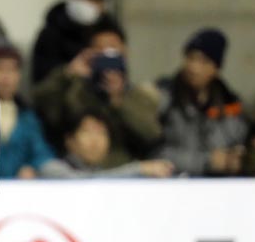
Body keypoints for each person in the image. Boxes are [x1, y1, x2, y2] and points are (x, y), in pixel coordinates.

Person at [33, 21, 162, 167]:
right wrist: (67, 74)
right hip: (78, 169)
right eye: (99, 48)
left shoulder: (138, 95)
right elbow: (40, 103)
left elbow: (151, 134)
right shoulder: (75, 91)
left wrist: (119, 101)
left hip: (124, 171)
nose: (106, 53)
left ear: (124, 52)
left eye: (112, 48)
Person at [155, 28, 247, 176]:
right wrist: (206, 161)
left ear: (216, 68)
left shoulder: (231, 104)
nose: (194, 68)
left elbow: (240, 143)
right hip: (176, 187)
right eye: (190, 58)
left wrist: (235, 158)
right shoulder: (165, 98)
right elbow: (154, 154)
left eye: (204, 61)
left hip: (223, 188)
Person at [0, 41, 55, 178]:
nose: (6, 77)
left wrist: (33, 168)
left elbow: (42, 153)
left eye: (12, 69)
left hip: (18, 192)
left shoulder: (28, 117)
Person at [31, 0, 120, 84]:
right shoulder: (50, 34)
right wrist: (68, 72)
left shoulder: (110, 31)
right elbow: (40, 80)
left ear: (102, 5)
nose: (84, 2)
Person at [41, 109, 174, 178]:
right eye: (87, 132)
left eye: (102, 133)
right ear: (69, 140)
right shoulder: (52, 169)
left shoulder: (106, 172)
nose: (95, 139)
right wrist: (138, 169)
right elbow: (85, 184)